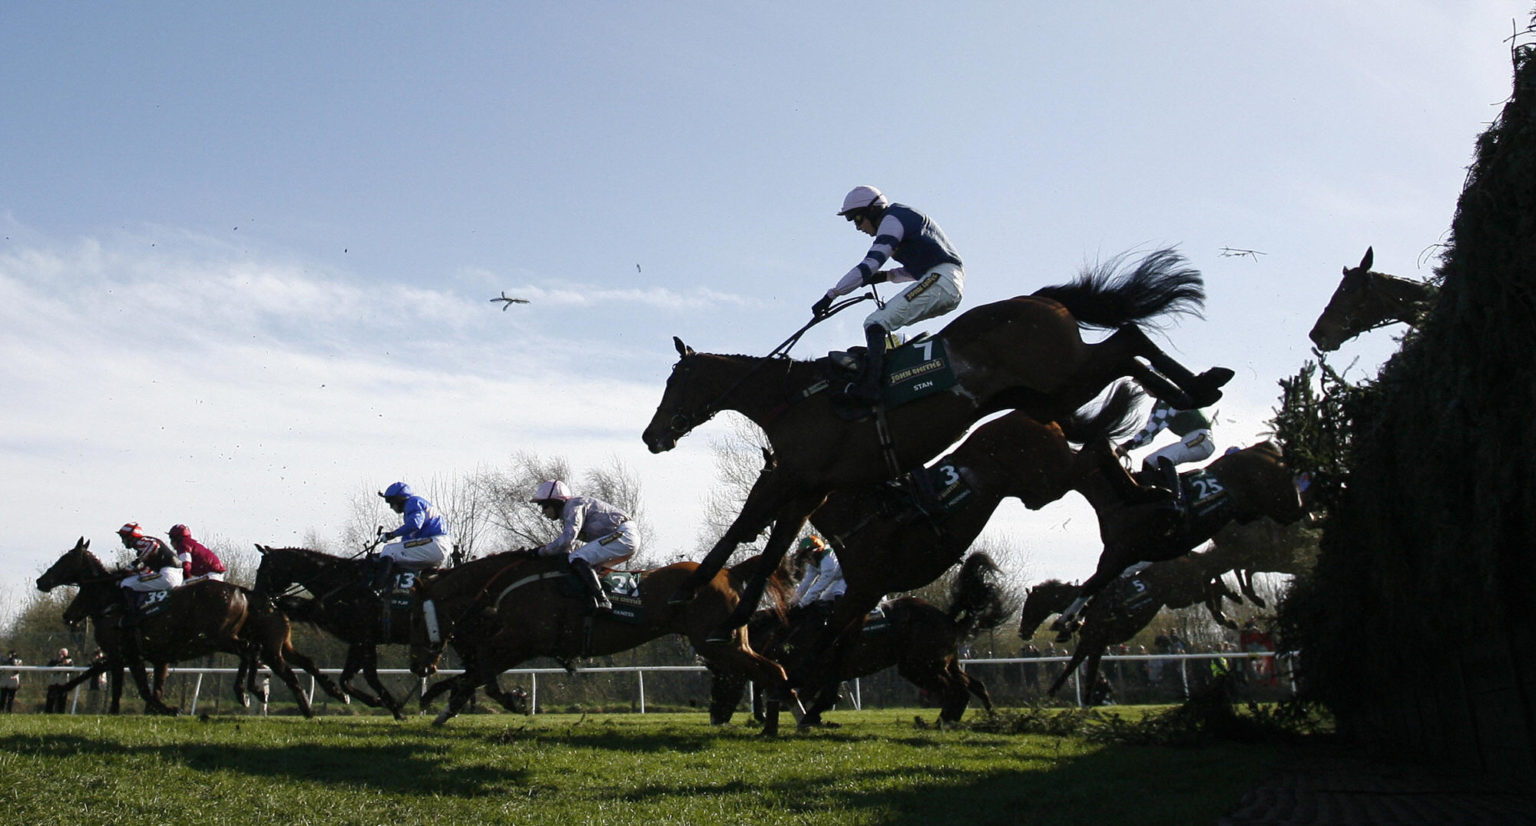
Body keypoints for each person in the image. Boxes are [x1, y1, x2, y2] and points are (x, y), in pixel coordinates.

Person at [812, 185, 965, 403]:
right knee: (882, 322)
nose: (857, 228)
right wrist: (885, 277)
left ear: (872, 211)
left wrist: (831, 295)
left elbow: (870, 264)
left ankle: (871, 388)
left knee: (875, 322)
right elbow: (914, 271)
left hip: (943, 279)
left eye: (857, 219)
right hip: (943, 279)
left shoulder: (891, 221)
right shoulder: (899, 218)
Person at [528, 479, 636, 613]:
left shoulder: (574, 506)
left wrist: (540, 552)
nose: (543, 512)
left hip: (624, 534)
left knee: (578, 558)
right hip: (621, 537)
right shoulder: (568, 515)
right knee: (580, 564)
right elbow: (567, 549)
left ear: (555, 503)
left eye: (544, 506)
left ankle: (602, 600)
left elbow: (567, 540)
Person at [1115, 398, 1216, 492]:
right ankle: (1158, 494)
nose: (1144, 388)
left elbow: (1151, 431)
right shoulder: (1159, 406)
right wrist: (1128, 445)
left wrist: (1127, 446)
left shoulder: (1167, 401)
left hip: (1201, 439)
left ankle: (1176, 497)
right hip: (1190, 438)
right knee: (1149, 462)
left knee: (1164, 458)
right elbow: (1149, 431)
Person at [372, 482, 453, 595]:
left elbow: (415, 524)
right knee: (394, 556)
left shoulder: (412, 502)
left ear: (399, 499)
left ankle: (376, 589)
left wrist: (392, 534)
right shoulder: (415, 507)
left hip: (435, 544)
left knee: (389, 550)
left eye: (391, 502)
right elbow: (406, 542)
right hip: (437, 547)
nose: (391, 506)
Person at [117, 522, 183, 615]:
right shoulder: (142, 551)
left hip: (167, 575)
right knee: (132, 580)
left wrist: (134, 563)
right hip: (176, 577)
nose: (122, 541)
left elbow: (154, 544)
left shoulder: (141, 542)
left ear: (131, 537)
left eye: (123, 538)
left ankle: (132, 614)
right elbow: (147, 572)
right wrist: (131, 572)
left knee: (126, 583)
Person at [790, 535, 845, 623]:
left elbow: (818, 587)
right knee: (823, 600)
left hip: (849, 578)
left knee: (837, 591)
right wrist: (793, 602)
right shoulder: (814, 561)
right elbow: (805, 583)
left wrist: (801, 605)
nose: (806, 560)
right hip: (838, 579)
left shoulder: (828, 562)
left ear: (815, 552)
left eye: (806, 556)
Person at [44, 648, 72, 713]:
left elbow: (71, 670)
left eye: (64, 654)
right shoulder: (54, 660)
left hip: (63, 685)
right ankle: (48, 713)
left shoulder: (69, 661)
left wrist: (66, 664)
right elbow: (48, 666)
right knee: (50, 702)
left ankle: (61, 714)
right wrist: (58, 661)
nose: (62, 656)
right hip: (53, 684)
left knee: (61, 703)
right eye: (61, 654)